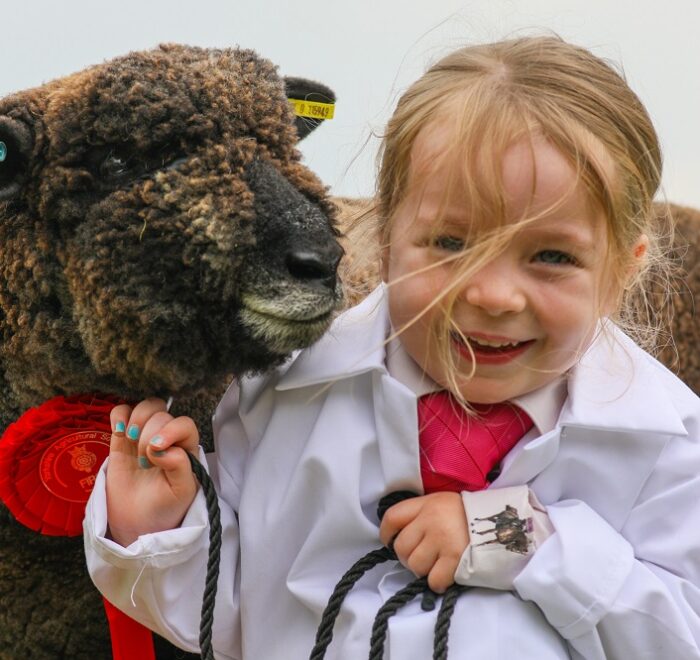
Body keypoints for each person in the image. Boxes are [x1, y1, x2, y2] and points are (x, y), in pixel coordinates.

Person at [84, 35, 700, 659]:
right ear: (382, 241)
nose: (492, 295)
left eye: (551, 257)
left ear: (622, 269)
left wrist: (521, 538)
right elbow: (232, 616)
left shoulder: (670, 449)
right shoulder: (286, 396)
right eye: (451, 244)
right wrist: (164, 527)